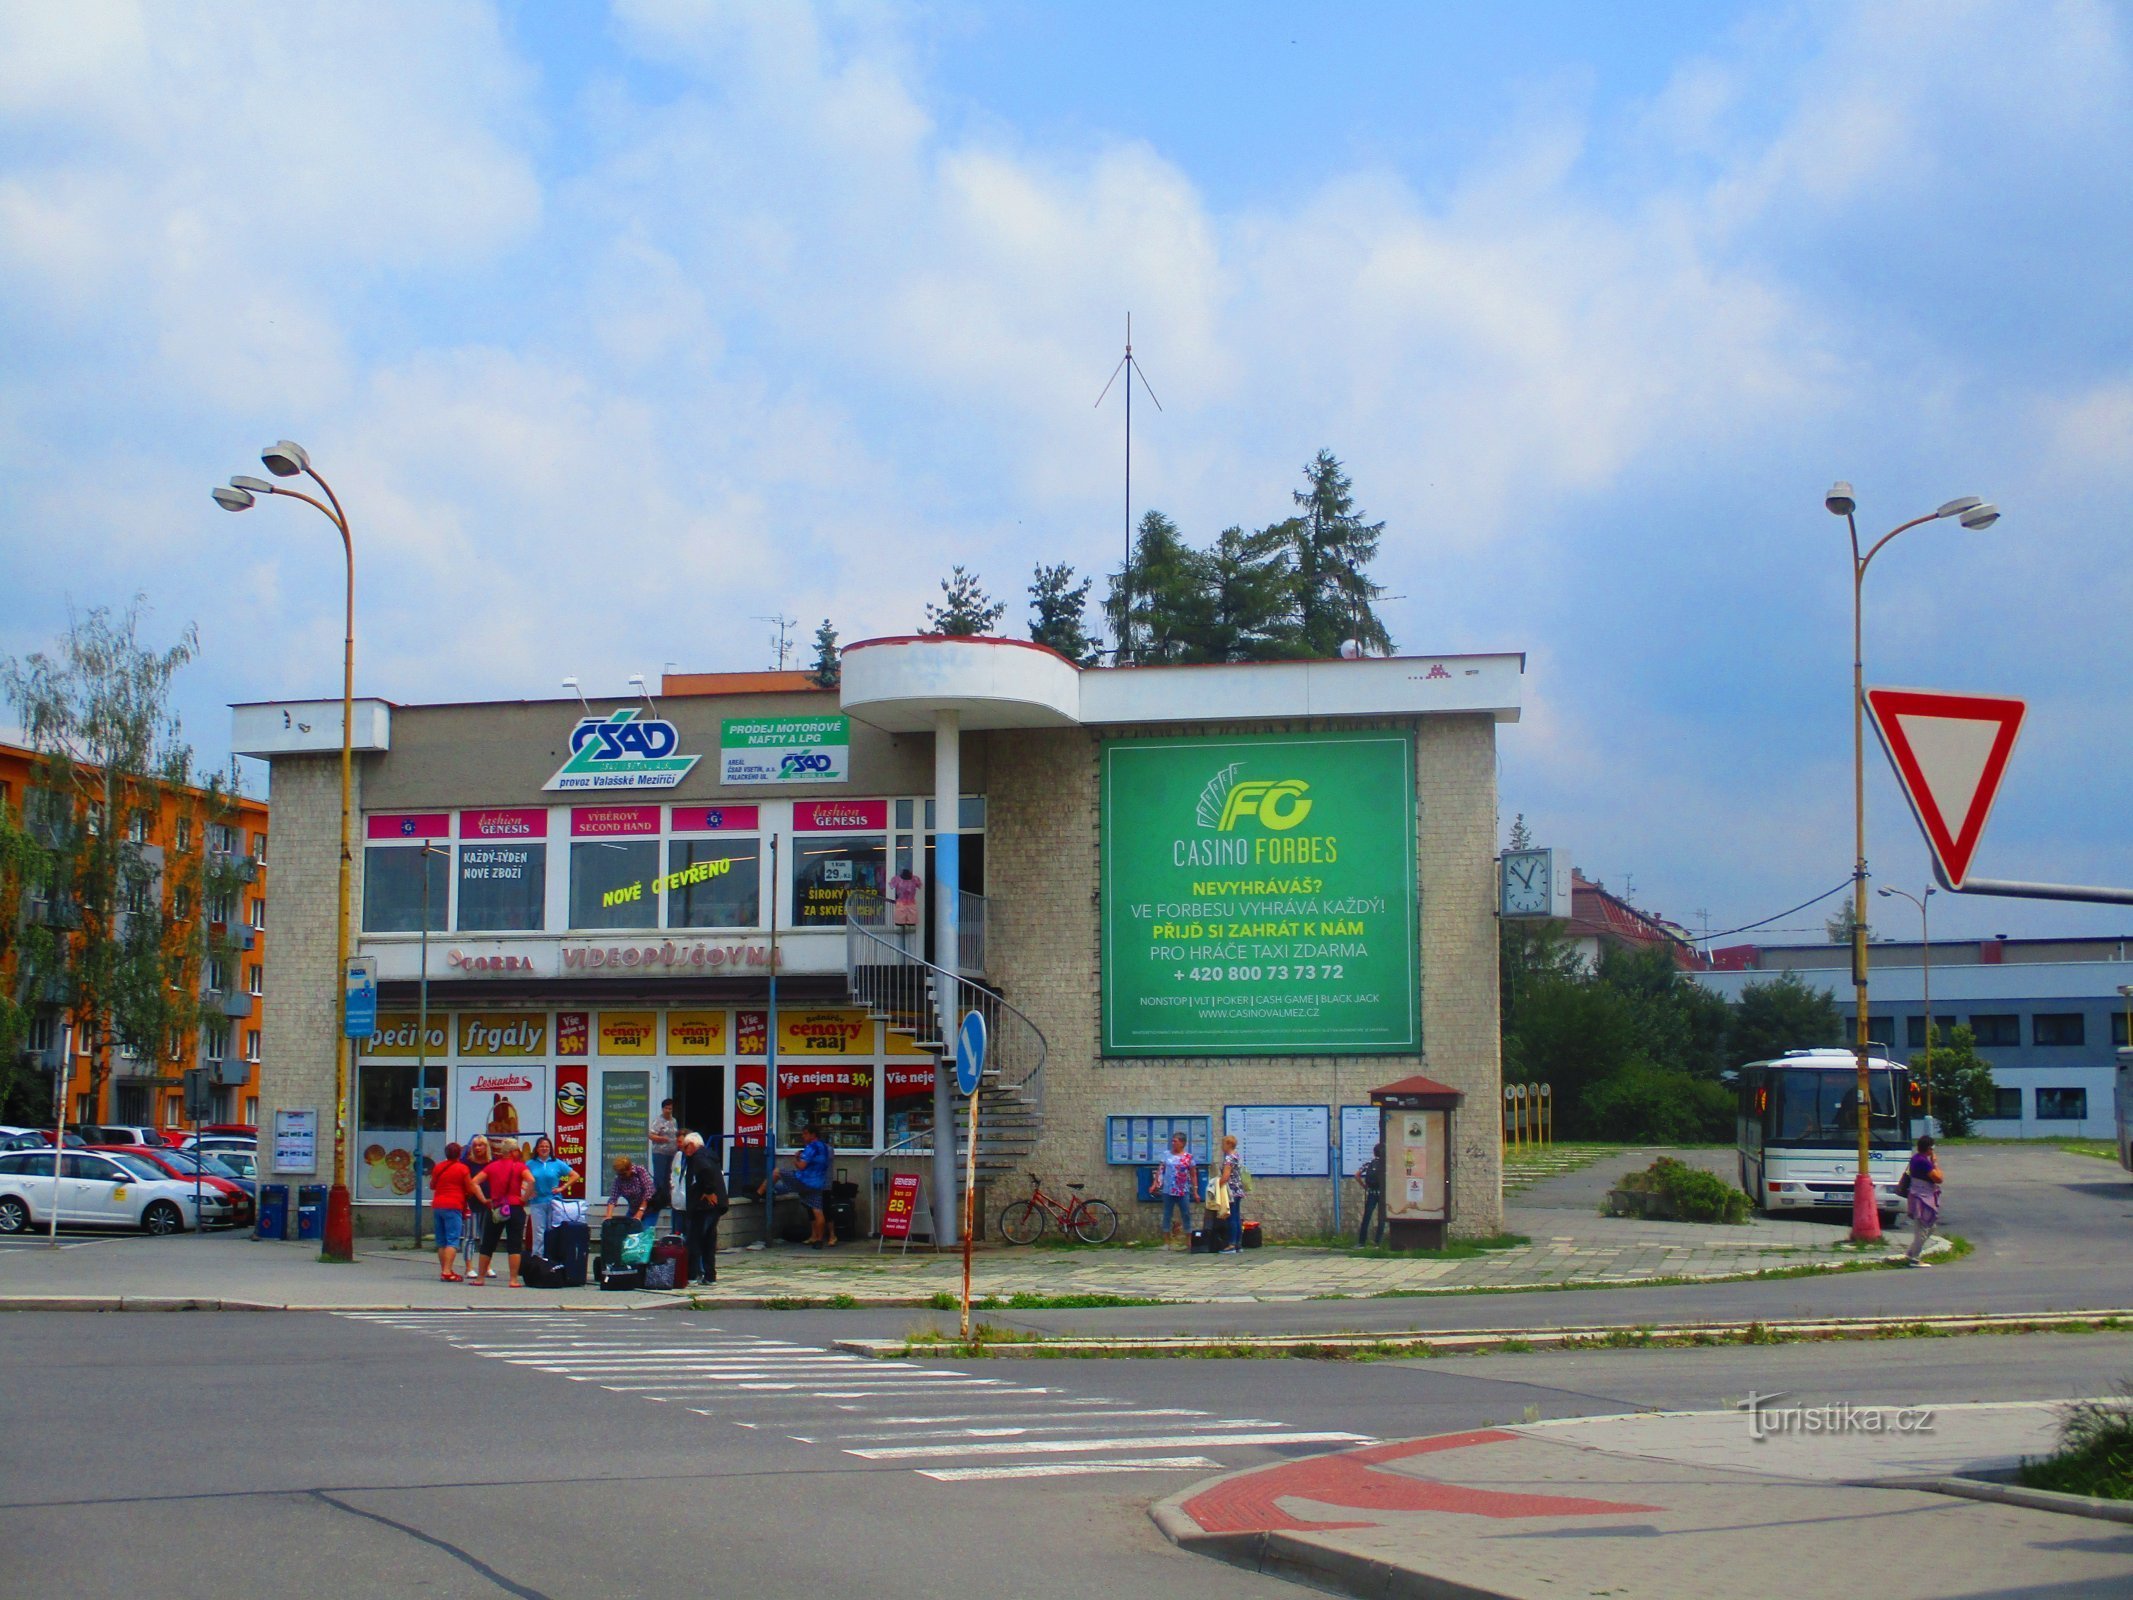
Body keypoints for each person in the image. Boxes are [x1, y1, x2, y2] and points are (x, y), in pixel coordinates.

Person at [759, 1122, 835, 1246]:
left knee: (777, 1172)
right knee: (818, 1211)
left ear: (813, 1135)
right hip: (818, 1184)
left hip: (804, 1180)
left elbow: (801, 1166)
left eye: (805, 1134)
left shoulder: (811, 1147)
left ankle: (759, 1192)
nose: (803, 1137)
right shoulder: (826, 1148)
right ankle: (819, 1240)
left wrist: (796, 1158)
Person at [471, 1137, 533, 1287]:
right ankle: (513, 1280)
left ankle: (480, 1278)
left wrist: (484, 1199)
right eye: (517, 1150)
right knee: (514, 1244)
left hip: (497, 1207)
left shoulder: (492, 1166)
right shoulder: (519, 1167)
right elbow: (531, 1181)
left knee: (488, 1243)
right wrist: (524, 1198)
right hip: (515, 1207)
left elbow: (474, 1182)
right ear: (512, 1152)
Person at [680, 1131, 729, 1284]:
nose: (684, 1151)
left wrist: (709, 1191)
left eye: (685, 1147)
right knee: (708, 1240)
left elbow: (706, 1171)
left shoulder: (699, 1157)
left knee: (695, 1240)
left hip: (704, 1207)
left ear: (693, 1145)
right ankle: (709, 1276)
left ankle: (692, 1275)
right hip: (715, 1206)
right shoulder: (709, 1155)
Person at [525, 1135, 574, 1262]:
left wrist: (562, 1188)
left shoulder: (557, 1163)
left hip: (554, 1202)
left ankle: (552, 1258)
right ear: (537, 1149)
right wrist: (528, 1191)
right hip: (537, 1202)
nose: (544, 1148)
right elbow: (520, 1179)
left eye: (547, 1146)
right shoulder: (530, 1164)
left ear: (550, 1148)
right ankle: (537, 1259)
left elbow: (574, 1175)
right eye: (541, 1146)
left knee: (552, 1231)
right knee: (538, 1232)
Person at [428, 1141, 471, 1282]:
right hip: (454, 1205)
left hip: (438, 1204)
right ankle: (447, 1271)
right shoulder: (463, 1169)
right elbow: (469, 1188)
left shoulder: (438, 1167)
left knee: (441, 1241)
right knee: (452, 1240)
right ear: (459, 1154)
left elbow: (433, 1185)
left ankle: (444, 1270)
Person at [1148, 1132, 1197, 1249]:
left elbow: (1193, 1174)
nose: (1173, 1143)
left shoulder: (1188, 1157)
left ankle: (1188, 1241)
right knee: (1167, 1214)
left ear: (1182, 1143)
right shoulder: (1166, 1155)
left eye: (1176, 1141)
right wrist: (1155, 1183)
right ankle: (1167, 1242)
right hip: (1168, 1190)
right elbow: (1160, 1170)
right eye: (1172, 1141)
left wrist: (1195, 1190)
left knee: (1186, 1214)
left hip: (1182, 1190)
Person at [1902, 1135, 1944, 1266]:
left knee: (1930, 1227)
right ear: (1929, 1149)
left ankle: (1910, 1253)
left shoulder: (1915, 1158)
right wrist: (1935, 1163)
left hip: (1918, 1195)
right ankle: (1915, 1258)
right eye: (1932, 1148)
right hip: (1922, 1198)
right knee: (1922, 1229)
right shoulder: (1923, 1161)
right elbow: (1939, 1178)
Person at [459, 1134, 494, 1281]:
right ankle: (469, 1268)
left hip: (489, 1204)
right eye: (475, 1146)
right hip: (472, 1204)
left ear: (486, 1147)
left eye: (481, 1145)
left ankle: (486, 1266)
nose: (478, 1148)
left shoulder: (492, 1163)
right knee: (470, 1236)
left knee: (487, 1237)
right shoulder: (467, 1163)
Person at [647, 1098, 679, 1234]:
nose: (668, 1111)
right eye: (666, 1108)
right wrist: (661, 1139)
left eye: (670, 1108)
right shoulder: (658, 1121)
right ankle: (658, 1201)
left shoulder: (674, 1121)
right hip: (660, 1153)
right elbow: (650, 1135)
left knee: (669, 1177)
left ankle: (667, 1199)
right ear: (662, 1109)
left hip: (672, 1153)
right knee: (659, 1178)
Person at [604, 1153, 656, 1233]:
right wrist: (608, 1216)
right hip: (633, 1210)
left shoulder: (640, 1171)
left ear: (630, 1169)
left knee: (644, 1234)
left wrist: (640, 1212)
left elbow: (649, 1191)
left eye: (623, 1174)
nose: (621, 1176)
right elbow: (613, 1198)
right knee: (627, 1234)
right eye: (619, 1174)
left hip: (650, 1209)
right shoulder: (618, 1179)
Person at [1213, 1133, 1246, 1254]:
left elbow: (1226, 1176)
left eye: (1223, 1144)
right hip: (1238, 1189)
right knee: (1237, 1217)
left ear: (1228, 1144)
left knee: (1231, 1217)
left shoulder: (1228, 1158)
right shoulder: (1236, 1156)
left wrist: (1217, 1185)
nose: (1222, 1147)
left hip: (1230, 1190)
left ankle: (1231, 1244)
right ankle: (1238, 1244)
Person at [1356, 1141, 1386, 1245]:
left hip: (1371, 1193)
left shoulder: (1369, 1163)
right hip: (1382, 1193)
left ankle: (1361, 1242)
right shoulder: (1385, 1164)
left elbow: (1357, 1175)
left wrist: (1365, 1187)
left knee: (1367, 1216)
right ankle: (1378, 1242)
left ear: (1374, 1153)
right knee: (1381, 1217)